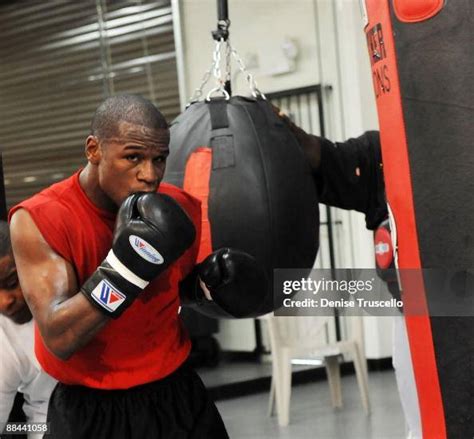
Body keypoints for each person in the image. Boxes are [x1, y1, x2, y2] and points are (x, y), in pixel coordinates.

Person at [9, 94, 268, 439]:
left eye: (159, 159)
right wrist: (125, 268)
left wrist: (206, 288)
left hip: (177, 397)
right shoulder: (41, 218)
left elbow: (170, 295)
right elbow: (60, 336)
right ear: (94, 150)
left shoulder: (177, 207)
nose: (149, 174)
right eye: (133, 157)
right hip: (91, 411)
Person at [279, 111, 422, 438]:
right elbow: (329, 160)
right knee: (424, 424)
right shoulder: (386, 152)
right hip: (415, 312)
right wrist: (291, 137)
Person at [0, 220, 57, 439]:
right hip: (47, 425)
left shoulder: (77, 290)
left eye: (12, 282)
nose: (5, 302)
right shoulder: (3, 336)